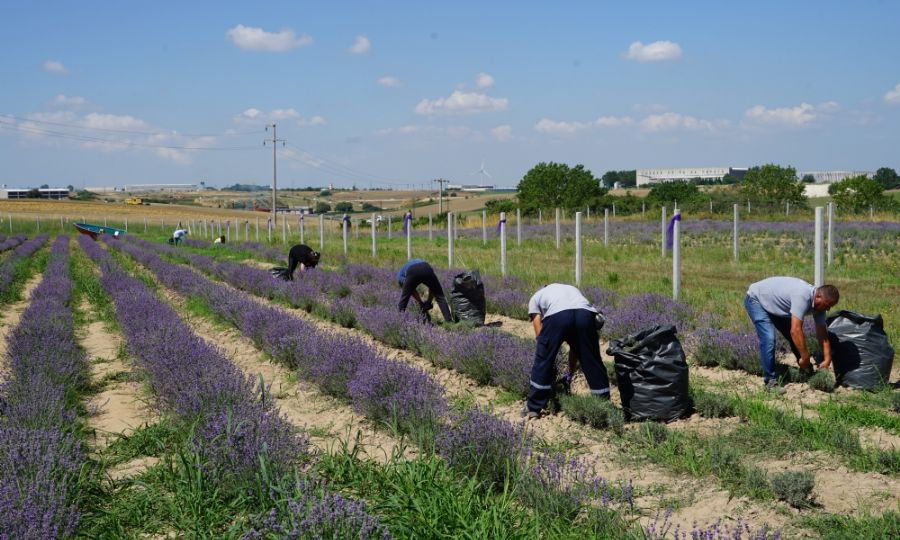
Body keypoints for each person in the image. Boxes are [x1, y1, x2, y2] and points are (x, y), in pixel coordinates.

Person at [524, 284, 610, 418]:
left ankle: (533, 407)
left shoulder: (535, 298)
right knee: (593, 361)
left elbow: (539, 335)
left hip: (558, 315)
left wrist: (549, 358)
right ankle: (604, 405)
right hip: (585, 314)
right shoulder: (571, 289)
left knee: (543, 359)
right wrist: (570, 372)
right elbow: (576, 348)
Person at [744, 277, 839, 394]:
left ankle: (806, 371)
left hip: (775, 305)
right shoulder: (803, 296)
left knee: (795, 338)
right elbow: (795, 330)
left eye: (830, 306)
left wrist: (827, 358)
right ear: (818, 297)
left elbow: (822, 334)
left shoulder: (820, 307)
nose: (828, 308)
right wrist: (805, 357)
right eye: (827, 305)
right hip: (756, 299)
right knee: (769, 338)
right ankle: (770, 382)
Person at [397, 258, 452, 323]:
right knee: (440, 296)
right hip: (426, 267)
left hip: (412, 271)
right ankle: (449, 322)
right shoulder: (406, 269)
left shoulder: (400, 277)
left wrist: (421, 302)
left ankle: (399, 322)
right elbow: (432, 288)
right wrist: (428, 301)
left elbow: (411, 291)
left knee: (404, 299)